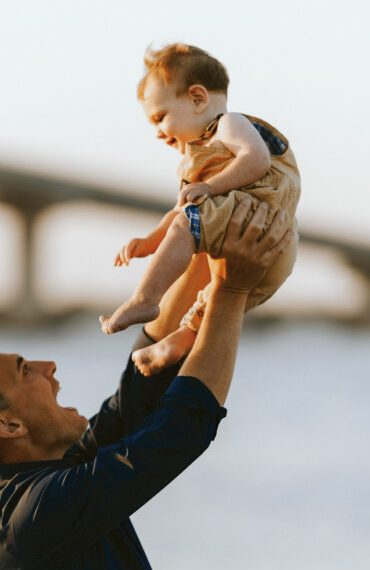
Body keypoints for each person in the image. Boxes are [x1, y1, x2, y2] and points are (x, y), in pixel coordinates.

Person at [0, 199, 293, 570]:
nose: (49, 366)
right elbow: (180, 430)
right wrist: (232, 287)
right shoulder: (22, 521)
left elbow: (140, 388)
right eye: (25, 370)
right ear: (9, 426)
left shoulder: (54, 478)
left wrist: (206, 234)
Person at [100, 43, 301, 377]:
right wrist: (149, 241)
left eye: (160, 117)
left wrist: (209, 187)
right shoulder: (198, 159)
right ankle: (180, 340)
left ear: (197, 99)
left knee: (187, 226)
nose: (158, 132)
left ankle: (145, 299)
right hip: (275, 249)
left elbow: (257, 159)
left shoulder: (228, 125)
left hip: (258, 220)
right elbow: (179, 213)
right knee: (213, 296)